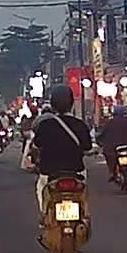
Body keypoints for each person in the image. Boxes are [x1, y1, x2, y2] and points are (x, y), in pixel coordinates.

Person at [28, 85, 93, 227]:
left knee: (41, 188)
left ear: (52, 105)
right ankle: (84, 214)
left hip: (49, 172)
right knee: (83, 192)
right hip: (76, 171)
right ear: (72, 104)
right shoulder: (80, 125)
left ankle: (44, 214)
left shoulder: (45, 125)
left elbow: (37, 145)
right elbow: (88, 148)